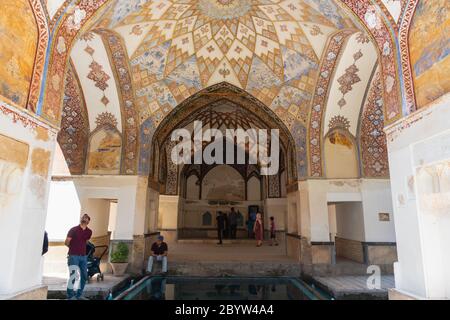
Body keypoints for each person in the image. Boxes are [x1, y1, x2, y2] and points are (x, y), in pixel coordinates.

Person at [65, 214, 92, 300]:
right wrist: (73, 248)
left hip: (83, 257)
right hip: (73, 256)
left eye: (86, 218)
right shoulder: (73, 229)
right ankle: (70, 296)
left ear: (88, 221)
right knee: (73, 276)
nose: (84, 219)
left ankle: (79, 295)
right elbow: (66, 242)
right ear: (81, 219)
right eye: (83, 217)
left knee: (84, 275)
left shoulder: (89, 232)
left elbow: (86, 241)